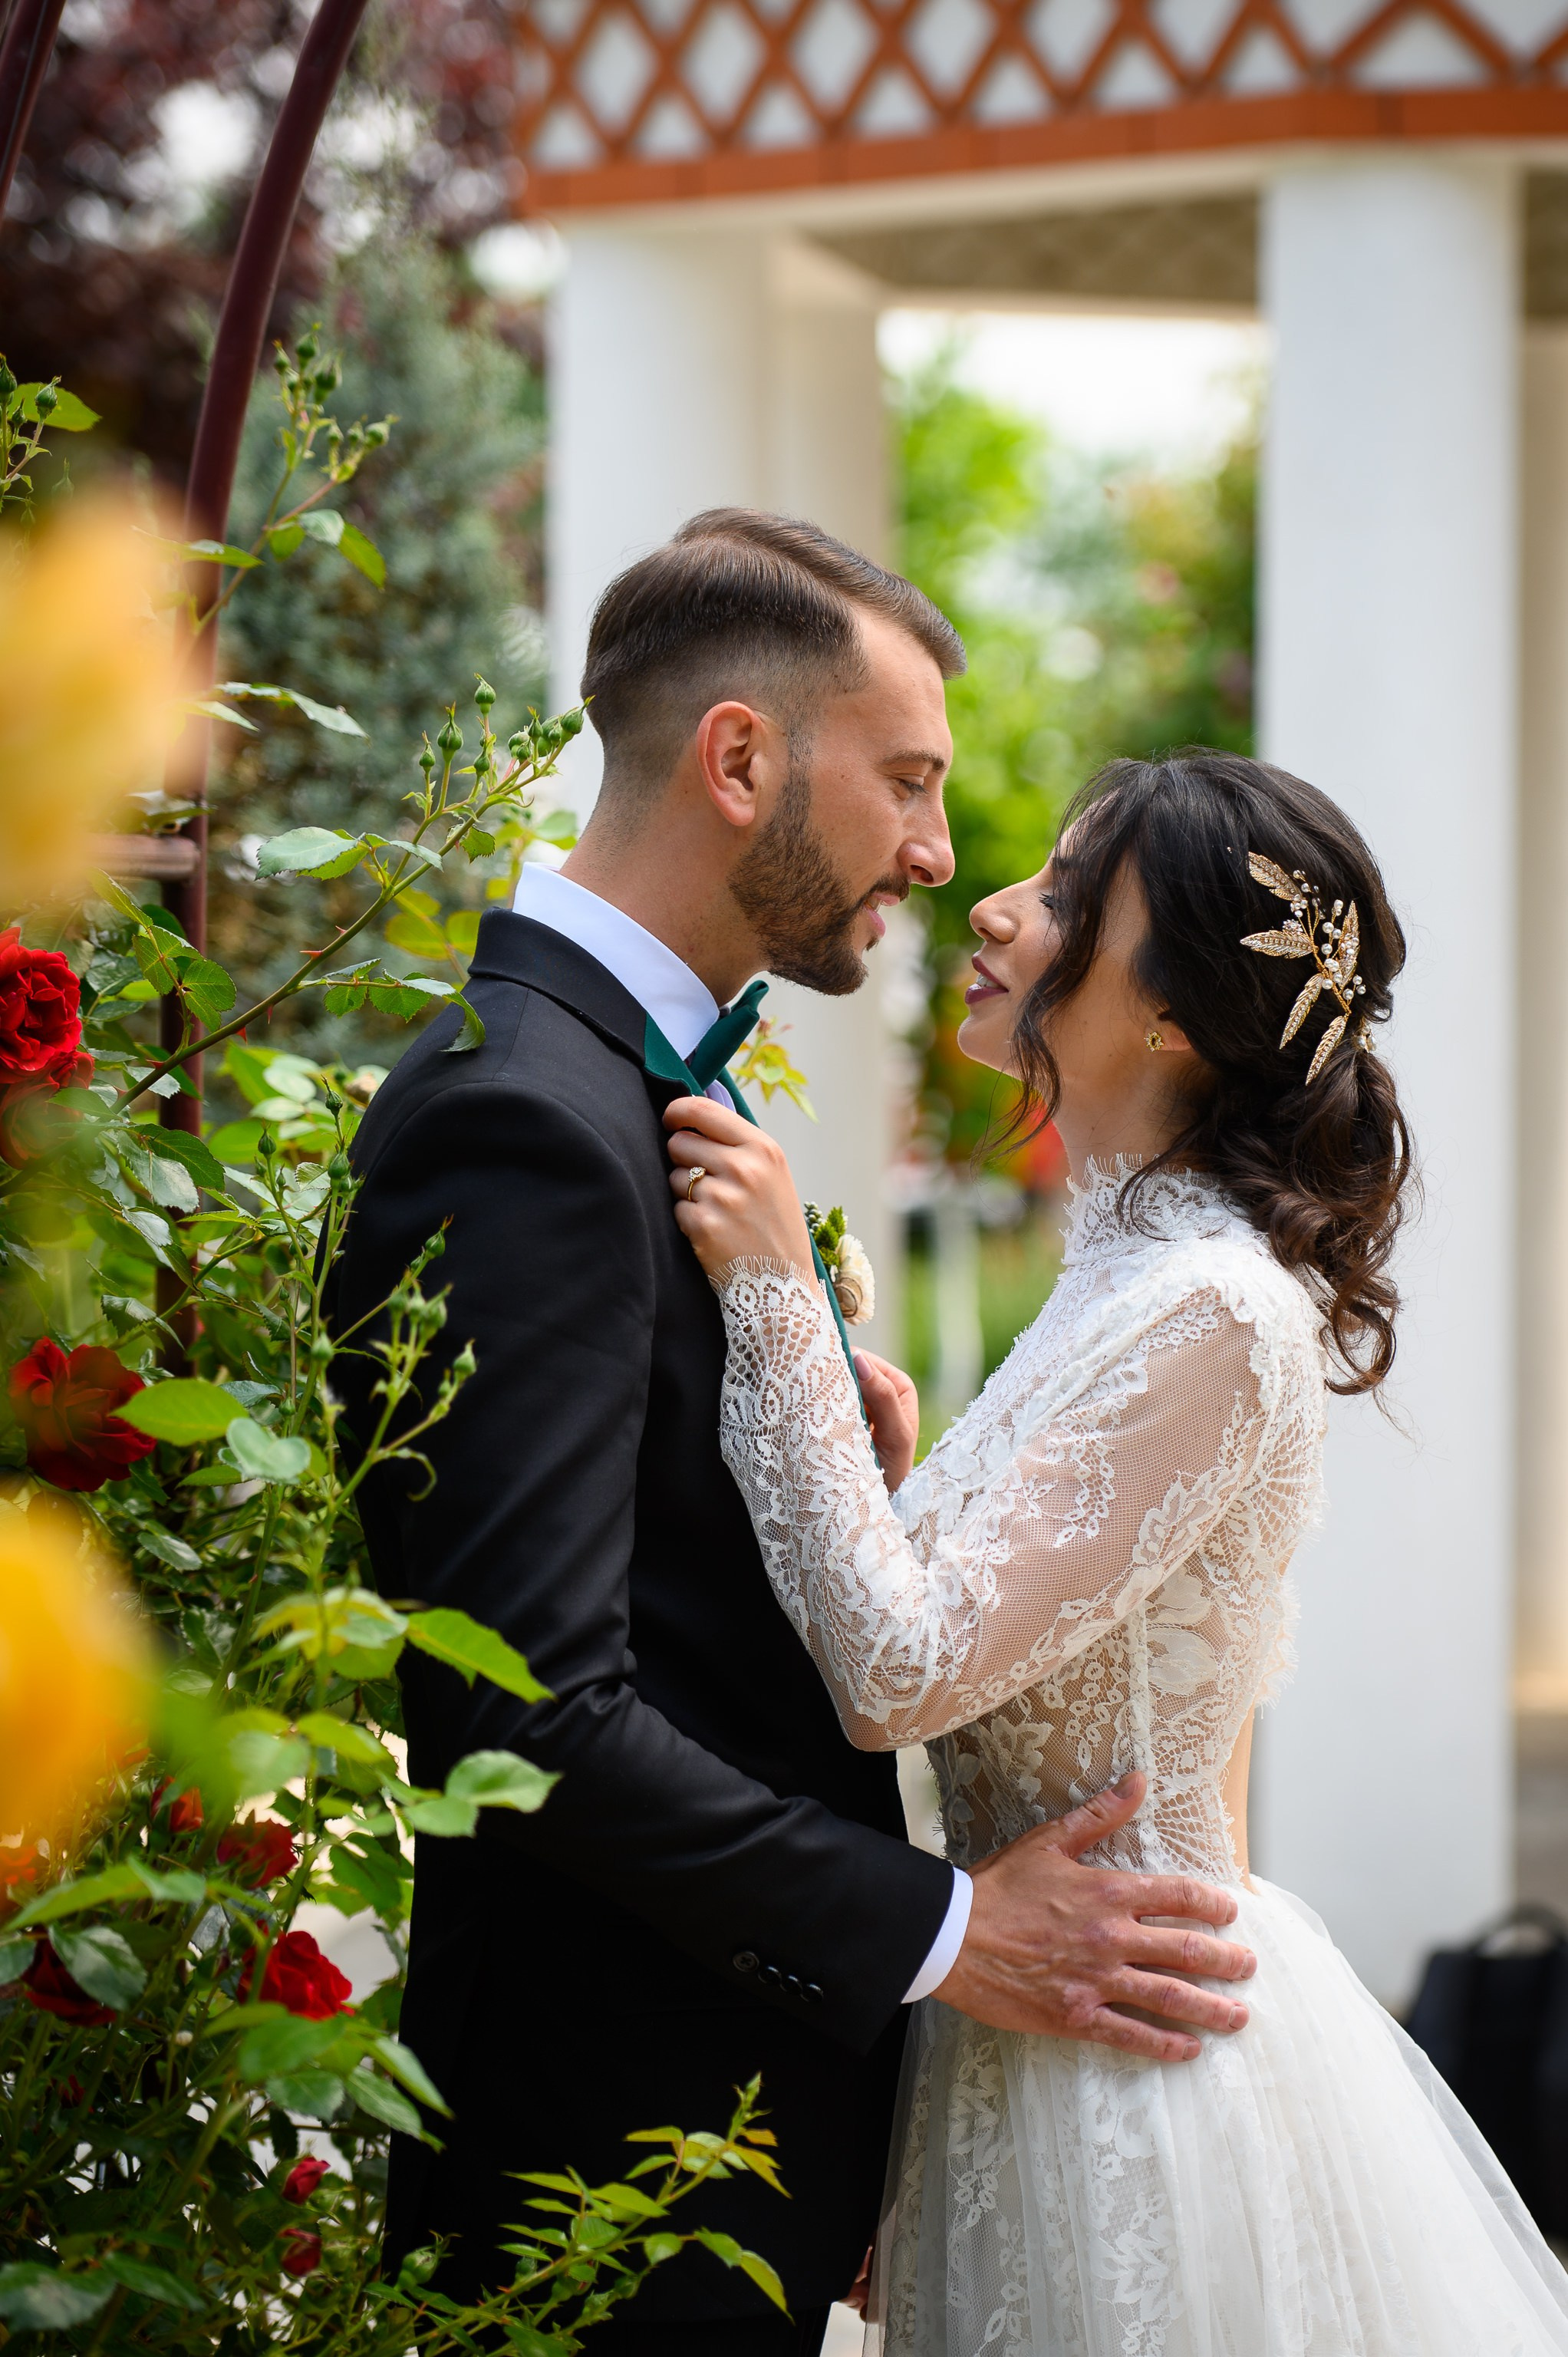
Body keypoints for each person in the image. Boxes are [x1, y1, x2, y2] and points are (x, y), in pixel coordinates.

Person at [321, 516, 1258, 2355]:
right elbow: (524, 1708)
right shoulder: (523, 1117)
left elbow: (665, 1585)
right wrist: (934, 1933)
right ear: (740, 759)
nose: (935, 851)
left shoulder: (633, 1081)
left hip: (714, 2143)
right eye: (905, 780)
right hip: (604, 2159)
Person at [664, 747, 1568, 2355]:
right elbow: (974, 1623)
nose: (999, 907)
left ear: (1171, 1018)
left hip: (1120, 2055)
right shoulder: (1121, 1269)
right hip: (1021, 2009)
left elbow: (894, 1672)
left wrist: (775, 1309)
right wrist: (868, 1471)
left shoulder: (1207, 1306)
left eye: (1072, 898)